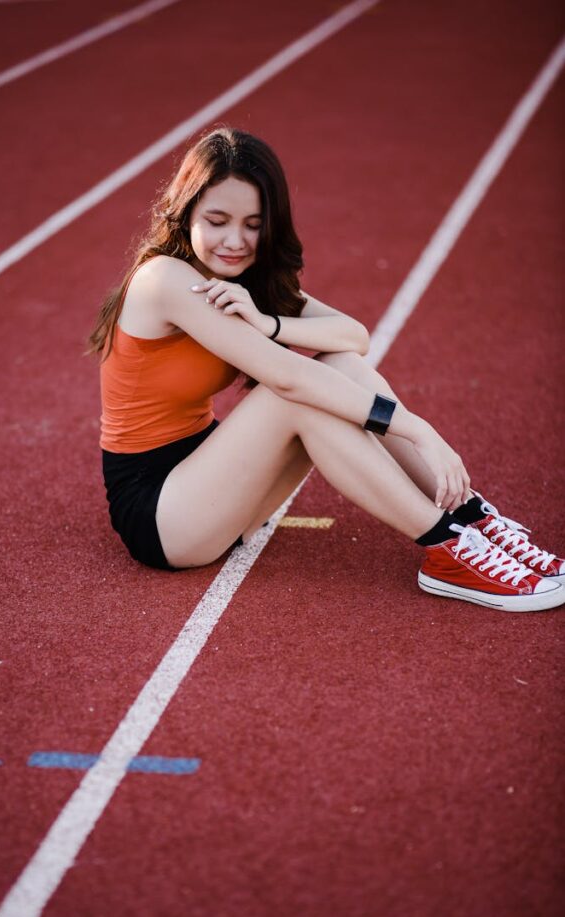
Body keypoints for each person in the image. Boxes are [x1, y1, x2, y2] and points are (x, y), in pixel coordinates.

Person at [90, 125, 564, 612]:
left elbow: (352, 337)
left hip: (213, 486)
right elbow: (289, 378)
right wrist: (418, 429)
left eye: (253, 224)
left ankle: (472, 519)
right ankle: (447, 547)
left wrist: (268, 321)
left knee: (341, 368)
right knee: (290, 397)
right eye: (217, 220)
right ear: (186, 210)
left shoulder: (243, 282)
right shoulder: (164, 279)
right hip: (160, 514)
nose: (235, 240)